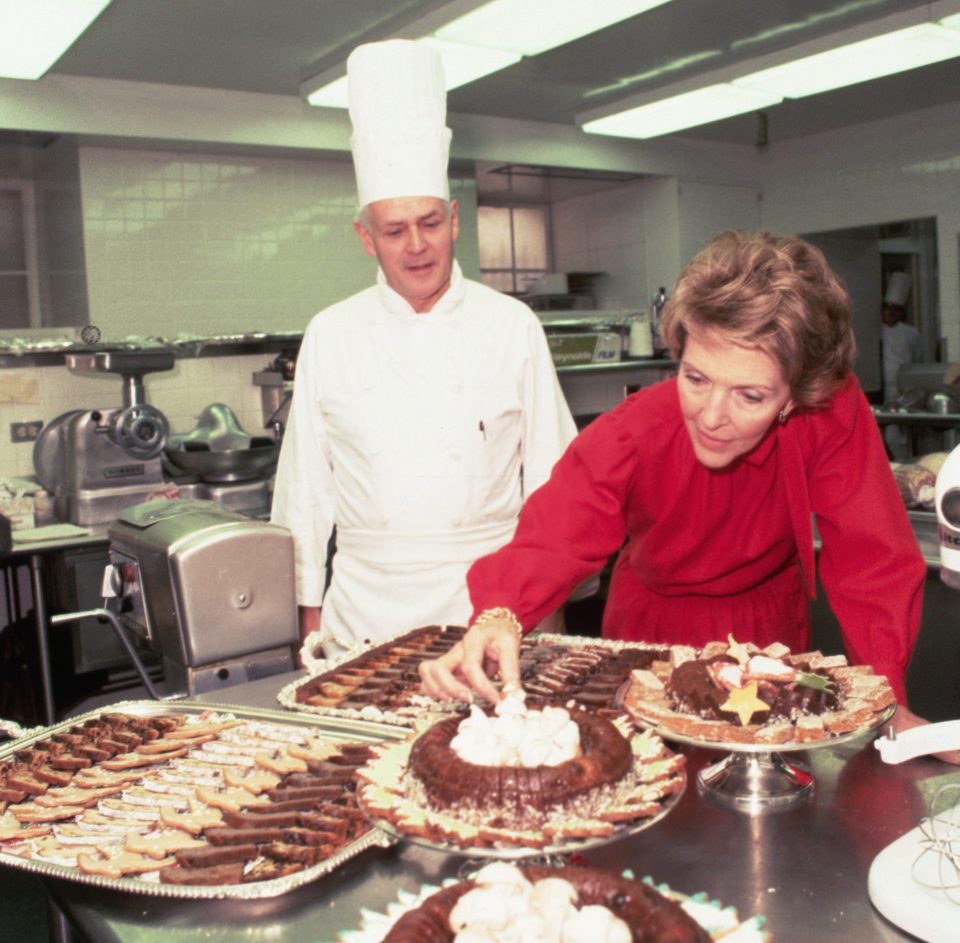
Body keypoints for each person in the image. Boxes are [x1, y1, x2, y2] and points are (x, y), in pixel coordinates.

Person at [420, 229, 947, 753]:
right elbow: (559, 525)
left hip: (771, 632)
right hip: (650, 635)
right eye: (696, 379)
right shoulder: (640, 426)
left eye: (750, 395)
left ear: (795, 395)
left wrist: (882, 698)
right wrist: (500, 612)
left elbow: (871, 557)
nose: (712, 417)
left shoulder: (828, 408)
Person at [271, 40, 575, 658]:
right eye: (394, 230)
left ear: (455, 220)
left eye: (430, 223)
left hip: (490, 606)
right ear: (365, 238)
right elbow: (304, 491)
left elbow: (554, 481)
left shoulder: (512, 326)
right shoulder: (331, 333)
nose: (417, 246)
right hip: (364, 613)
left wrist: (543, 609)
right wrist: (306, 620)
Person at [881, 292, 922, 459]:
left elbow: (918, 359)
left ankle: (904, 466)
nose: (892, 312)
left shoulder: (911, 333)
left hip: (902, 390)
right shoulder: (875, 331)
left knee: (896, 436)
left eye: (896, 309)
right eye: (888, 308)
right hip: (878, 389)